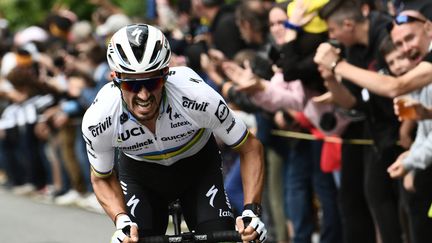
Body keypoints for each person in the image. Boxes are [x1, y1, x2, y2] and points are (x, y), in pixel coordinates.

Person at [81, 24, 268, 243]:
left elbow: (250, 147)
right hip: (140, 177)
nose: (143, 95)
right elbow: (101, 177)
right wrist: (121, 220)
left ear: (166, 75)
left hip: (198, 170)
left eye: (152, 82)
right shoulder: (99, 118)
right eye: (132, 85)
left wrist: (251, 212)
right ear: (115, 79)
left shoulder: (197, 97)